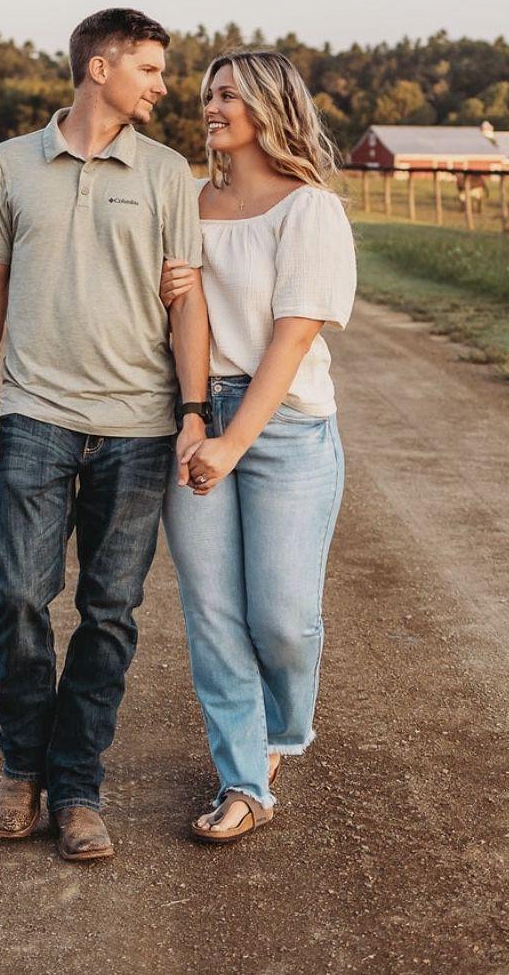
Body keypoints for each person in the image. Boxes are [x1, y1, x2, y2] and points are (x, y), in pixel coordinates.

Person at [0, 8, 212, 863]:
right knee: (19, 595)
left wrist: (192, 411)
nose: (163, 85)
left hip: (136, 427)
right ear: (99, 67)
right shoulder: (12, 162)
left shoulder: (167, 172)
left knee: (108, 610)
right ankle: (19, 771)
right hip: (35, 413)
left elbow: (187, 303)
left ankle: (76, 788)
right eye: (150, 68)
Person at [159, 49, 357, 843]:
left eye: (229, 95)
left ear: (271, 106)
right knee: (212, 613)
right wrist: (193, 417)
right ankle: (243, 780)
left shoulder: (309, 209)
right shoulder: (189, 202)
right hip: (202, 411)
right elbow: (188, 315)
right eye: (209, 93)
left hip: (286, 426)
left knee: (280, 617)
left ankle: (282, 730)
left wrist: (235, 440)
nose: (212, 106)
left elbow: (293, 333)